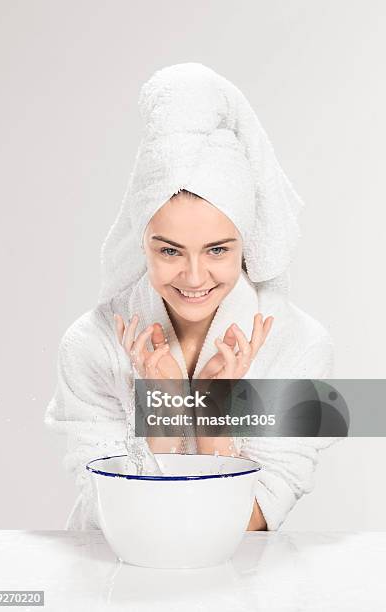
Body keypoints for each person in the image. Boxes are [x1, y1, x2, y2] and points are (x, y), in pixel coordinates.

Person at [44, 62, 342, 532]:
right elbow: (111, 520)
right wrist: (159, 418)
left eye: (218, 249)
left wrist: (212, 414)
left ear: (246, 241)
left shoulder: (299, 345)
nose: (194, 275)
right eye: (169, 250)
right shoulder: (91, 344)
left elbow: (251, 524)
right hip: (111, 584)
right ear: (141, 242)